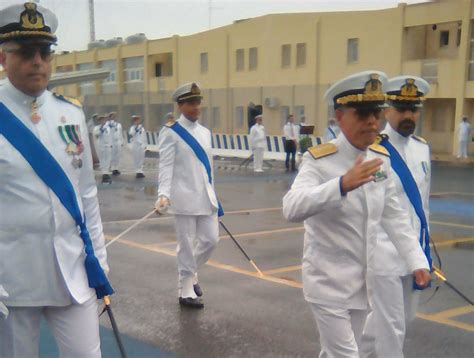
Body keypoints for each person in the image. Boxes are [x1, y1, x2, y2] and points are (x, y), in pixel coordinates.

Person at [282, 71, 431, 358]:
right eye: (362, 113)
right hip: (327, 284)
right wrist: (340, 185)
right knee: (347, 355)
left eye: (375, 112)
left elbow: (394, 217)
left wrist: (416, 260)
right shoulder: (320, 160)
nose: (372, 121)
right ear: (340, 116)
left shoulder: (380, 159)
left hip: (362, 285)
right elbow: (292, 207)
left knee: (335, 352)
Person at [0, 3, 112, 357]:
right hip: (11, 280)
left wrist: (101, 266)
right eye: (27, 53)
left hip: (72, 269)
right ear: (3, 58)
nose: (38, 62)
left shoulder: (70, 113)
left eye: (45, 52)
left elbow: (87, 196)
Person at [360, 76, 432, 358]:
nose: (408, 114)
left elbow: (422, 206)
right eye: (401, 108)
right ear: (387, 109)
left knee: (398, 319)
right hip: (383, 252)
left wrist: (423, 249)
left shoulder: (422, 148)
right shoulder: (374, 150)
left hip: (412, 250)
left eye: (413, 108)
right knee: (392, 327)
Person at [155, 83, 222, 309]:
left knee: (211, 240)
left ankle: (191, 273)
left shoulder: (205, 133)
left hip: (205, 197)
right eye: (191, 103)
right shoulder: (171, 133)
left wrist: (214, 194)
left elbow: (208, 169)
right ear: (181, 106)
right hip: (183, 197)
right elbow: (165, 166)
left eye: (198, 102)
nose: (196, 107)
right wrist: (163, 194)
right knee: (186, 243)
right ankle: (185, 290)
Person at [93, 114, 112, 183]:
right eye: (101, 120)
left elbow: (110, 136)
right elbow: (96, 135)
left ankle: (106, 173)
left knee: (108, 159)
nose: (103, 121)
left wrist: (111, 144)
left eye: (104, 119)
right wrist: (100, 130)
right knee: (102, 160)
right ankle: (104, 173)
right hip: (101, 146)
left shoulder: (108, 128)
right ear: (99, 121)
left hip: (108, 145)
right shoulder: (96, 128)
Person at [108, 111, 123, 176]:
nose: (114, 117)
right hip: (112, 141)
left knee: (118, 155)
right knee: (112, 155)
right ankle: (113, 168)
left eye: (115, 116)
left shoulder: (119, 125)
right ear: (110, 117)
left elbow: (120, 133)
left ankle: (116, 168)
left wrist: (122, 141)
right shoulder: (108, 124)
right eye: (112, 116)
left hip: (118, 141)